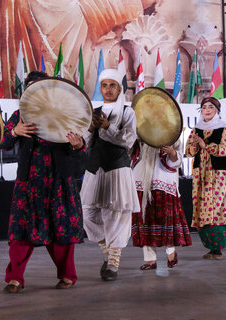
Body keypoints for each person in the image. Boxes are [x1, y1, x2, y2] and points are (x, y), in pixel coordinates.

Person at [2, 71, 85, 293]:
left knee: (62, 230)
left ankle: (67, 275)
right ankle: (15, 278)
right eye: (31, 87)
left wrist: (78, 145)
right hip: (29, 181)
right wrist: (15, 131)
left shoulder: (65, 112)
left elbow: (80, 144)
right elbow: (2, 141)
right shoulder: (20, 115)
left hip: (60, 180)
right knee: (21, 230)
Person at [81, 69, 139, 281]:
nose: (107, 89)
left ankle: (113, 263)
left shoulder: (127, 112)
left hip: (117, 168)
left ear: (119, 88)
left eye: (112, 85)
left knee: (116, 215)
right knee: (89, 214)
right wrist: (89, 128)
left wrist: (108, 127)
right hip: (95, 169)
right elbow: (84, 144)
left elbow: (128, 141)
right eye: (104, 85)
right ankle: (109, 253)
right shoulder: (93, 111)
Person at [131, 138, 192, 270]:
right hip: (142, 177)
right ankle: (150, 259)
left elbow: (177, 159)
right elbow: (131, 150)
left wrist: (172, 153)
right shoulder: (141, 130)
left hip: (163, 179)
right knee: (145, 219)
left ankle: (170, 252)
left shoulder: (171, 131)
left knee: (165, 219)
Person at [185, 97, 226, 259]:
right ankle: (210, 247)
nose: (207, 110)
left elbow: (224, 150)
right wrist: (196, 145)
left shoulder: (224, 129)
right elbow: (189, 152)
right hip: (201, 175)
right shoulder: (196, 130)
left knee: (218, 208)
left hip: (219, 175)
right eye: (204, 107)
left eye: (211, 107)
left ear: (217, 111)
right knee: (202, 208)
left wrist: (206, 146)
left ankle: (218, 248)